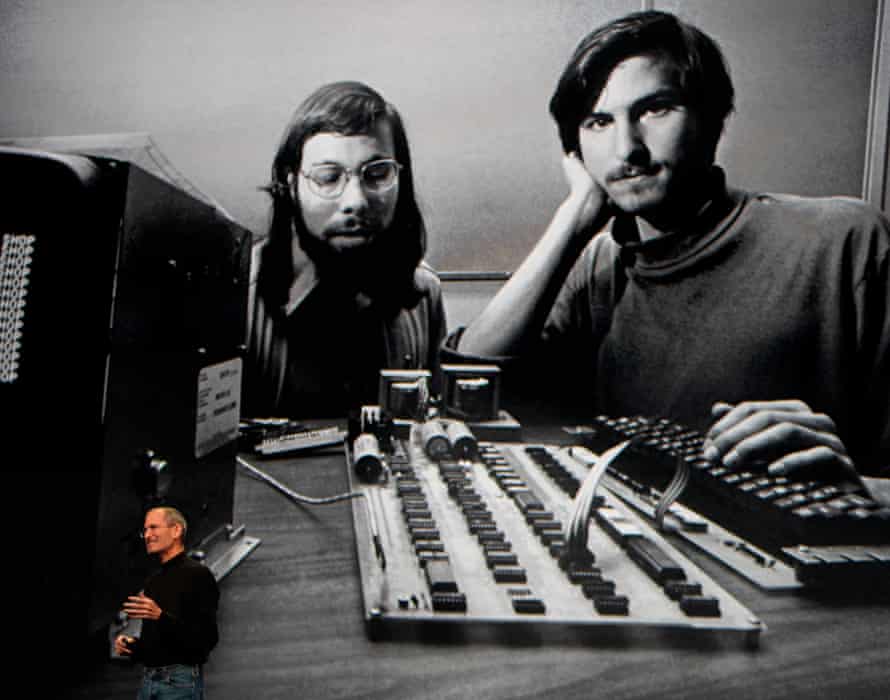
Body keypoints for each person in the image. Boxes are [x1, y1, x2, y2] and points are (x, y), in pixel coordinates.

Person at [447, 10, 890, 480]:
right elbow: (468, 384)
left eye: (655, 109)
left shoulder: (846, 242)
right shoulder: (600, 266)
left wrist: (854, 485)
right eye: (598, 122)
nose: (627, 149)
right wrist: (574, 219)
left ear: (711, 120)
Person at [244, 81, 446, 419]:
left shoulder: (423, 292)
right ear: (291, 184)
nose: (356, 201)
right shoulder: (234, 296)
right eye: (327, 177)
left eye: (377, 174)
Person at [115, 506, 219, 699]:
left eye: (154, 528)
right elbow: (160, 644)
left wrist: (160, 616)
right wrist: (133, 647)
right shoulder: (154, 581)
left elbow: (206, 639)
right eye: (144, 530)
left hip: (179, 683)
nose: (147, 535)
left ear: (176, 530)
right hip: (149, 681)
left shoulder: (198, 575)